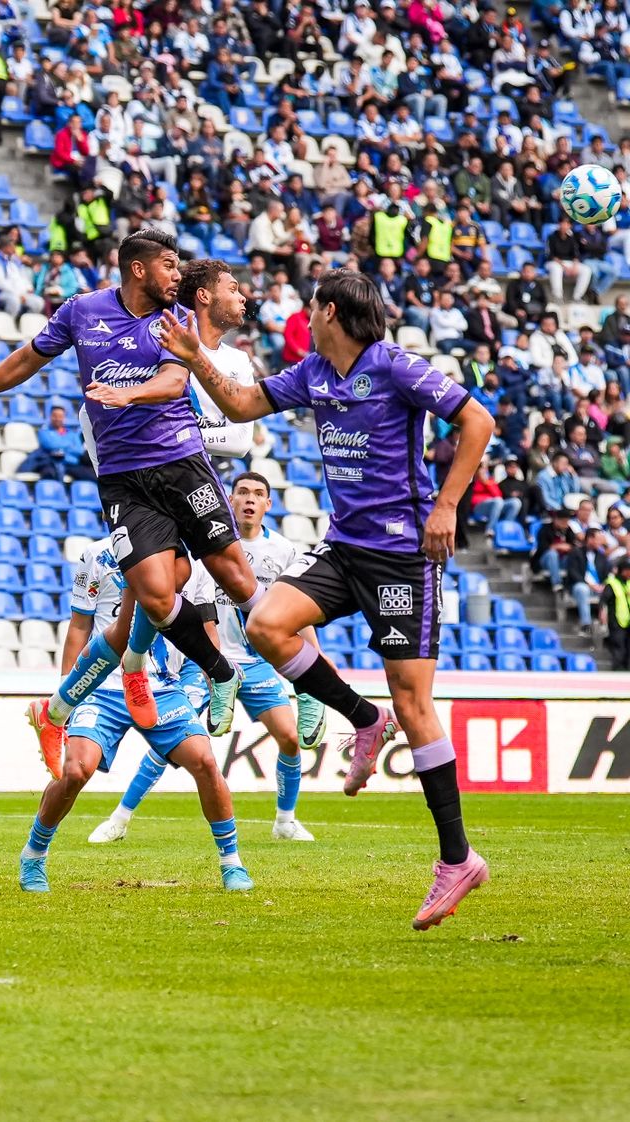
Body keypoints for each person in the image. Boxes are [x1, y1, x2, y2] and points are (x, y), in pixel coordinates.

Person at [178, 268, 497, 930]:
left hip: (404, 556)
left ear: (330, 311)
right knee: (266, 624)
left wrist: (446, 505)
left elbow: (477, 419)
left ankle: (457, 859)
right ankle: (362, 717)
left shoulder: (396, 368)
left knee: (417, 704)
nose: (302, 318)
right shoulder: (313, 373)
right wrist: (194, 359)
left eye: (309, 308)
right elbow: (240, 404)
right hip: (345, 548)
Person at [0, 230, 260, 770]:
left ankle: (307, 686)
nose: (177, 276)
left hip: (181, 467)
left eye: (182, 269)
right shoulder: (83, 311)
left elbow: (177, 380)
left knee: (228, 583)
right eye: (169, 265)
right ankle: (203, 671)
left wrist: (128, 393)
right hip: (124, 479)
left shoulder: (174, 316)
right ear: (137, 268)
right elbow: (25, 359)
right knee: (152, 599)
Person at [89, 471, 328, 846]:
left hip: (258, 662)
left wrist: (315, 662)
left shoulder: (284, 552)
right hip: (213, 662)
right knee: (175, 740)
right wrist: (207, 662)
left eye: (258, 494)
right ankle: (120, 817)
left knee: (289, 738)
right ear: (229, 500)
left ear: (268, 504)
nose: (249, 499)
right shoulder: (205, 549)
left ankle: (285, 820)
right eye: (242, 492)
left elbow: (297, 613)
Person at [17, 534, 252, 894]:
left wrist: (212, 678)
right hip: (101, 684)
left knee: (204, 761)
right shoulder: (96, 555)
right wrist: (66, 689)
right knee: (76, 771)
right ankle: (33, 856)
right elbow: (80, 625)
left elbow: (206, 628)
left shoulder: (192, 563)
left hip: (163, 685)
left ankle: (231, 863)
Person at [19, 404, 92, 482]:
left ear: (64, 417)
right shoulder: (44, 432)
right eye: (55, 416)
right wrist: (70, 445)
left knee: (92, 476)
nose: (57, 418)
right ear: (50, 416)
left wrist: (60, 447)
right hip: (52, 463)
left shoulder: (72, 434)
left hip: (72, 464)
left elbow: (79, 450)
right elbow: (51, 445)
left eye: (60, 416)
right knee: (49, 474)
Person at [569, 528, 612, 635]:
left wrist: (603, 585)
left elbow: (607, 574)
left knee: (611, 590)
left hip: (599, 587)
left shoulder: (602, 556)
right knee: (582, 589)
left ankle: (608, 626)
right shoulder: (576, 552)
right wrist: (590, 585)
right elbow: (573, 573)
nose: (601, 542)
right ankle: (586, 624)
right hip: (582, 586)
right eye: (598, 539)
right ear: (590, 539)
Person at [604, 556, 630, 670]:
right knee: (619, 649)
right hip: (616, 622)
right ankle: (618, 671)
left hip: (628, 622)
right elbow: (603, 602)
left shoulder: (628, 583)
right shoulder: (612, 583)